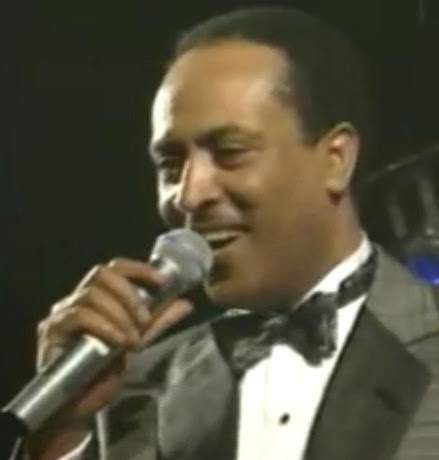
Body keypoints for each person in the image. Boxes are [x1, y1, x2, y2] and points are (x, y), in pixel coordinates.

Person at [28, 6, 439, 460]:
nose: (188, 195)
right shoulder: (132, 390)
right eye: (170, 165)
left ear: (335, 160)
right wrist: (59, 431)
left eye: (230, 152)